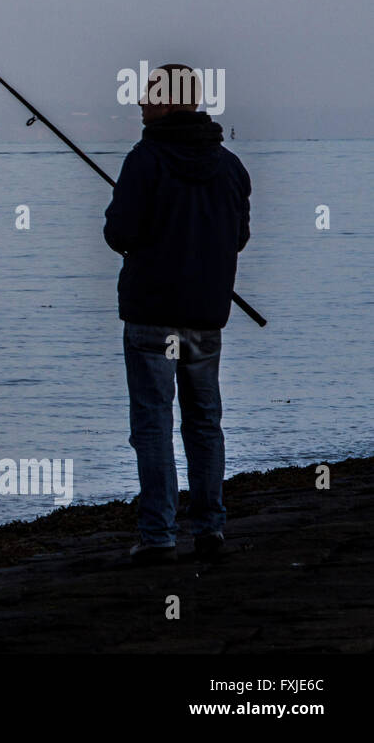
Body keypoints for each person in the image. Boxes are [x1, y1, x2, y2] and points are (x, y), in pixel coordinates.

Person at [104, 64, 251, 564]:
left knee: (152, 424)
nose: (141, 103)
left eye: (148, 96)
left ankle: (158, 536)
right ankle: (211, 529)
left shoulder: (144, 161)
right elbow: (239, 238)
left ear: (169, 101)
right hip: (206, 315)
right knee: (204, 422)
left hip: (151, 315)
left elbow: (119, 233)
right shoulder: (230, 166)